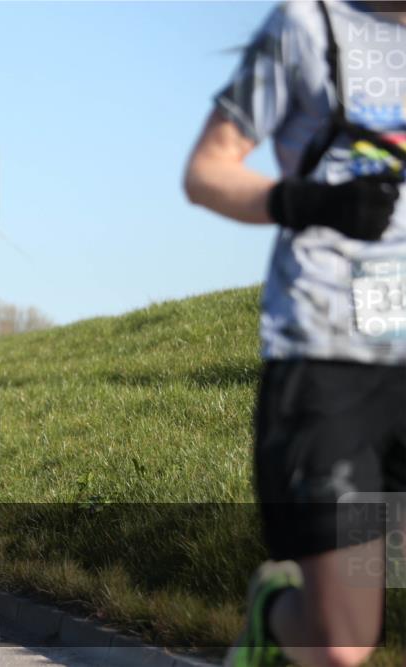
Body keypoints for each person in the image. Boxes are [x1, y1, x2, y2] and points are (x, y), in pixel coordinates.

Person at [184, 3, 406, 665]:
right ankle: (273, 609)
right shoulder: (308, 26)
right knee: (342, 641)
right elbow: (206, 171)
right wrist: (306, 201)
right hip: (329, 358)